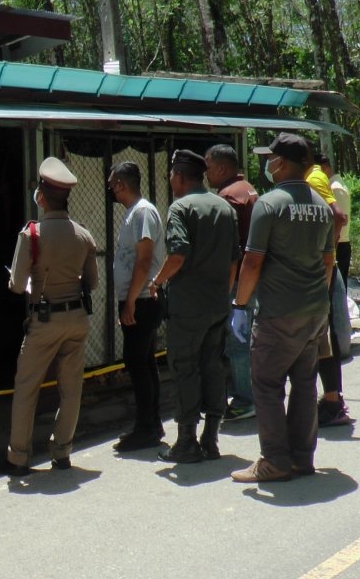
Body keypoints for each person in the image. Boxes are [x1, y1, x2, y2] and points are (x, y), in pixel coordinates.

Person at [229, 134, 335, 483]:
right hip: (315, 310)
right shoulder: (322, 205)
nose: (268, 165)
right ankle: (302, 458)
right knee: (304, 382)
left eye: (271, 159)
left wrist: (240, 304)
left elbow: (253, 261)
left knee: (267, 383)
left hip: (278, 312)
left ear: (283, 163)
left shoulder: (269, 204)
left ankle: (275, 460)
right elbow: (328, 261)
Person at [1, 157, 100, 474]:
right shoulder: (84, 235)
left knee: (27, 387)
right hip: (77, 319)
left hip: (44, 320)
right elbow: (93, 282)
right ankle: (62, 452)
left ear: (41, 195)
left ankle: (18, 458)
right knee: (71, 389)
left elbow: (17, 285)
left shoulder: (31, 235)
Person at [148, 149, 238, 463]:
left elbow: (177, 255)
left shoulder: (180, 208)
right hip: (218, 304)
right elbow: (233, 262)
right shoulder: (224, 208)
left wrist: (157, 281)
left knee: (184, 368)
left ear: (181, 176)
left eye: (172, 173)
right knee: (212, 367)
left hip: (188, 307)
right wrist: (223, 296)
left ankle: (186, 441)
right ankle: (210, 439)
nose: (170, 179)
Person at [107, 161, 167, 452]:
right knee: (144, 362)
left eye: (112, 184)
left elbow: (144, 260)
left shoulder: (142, 211)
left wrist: (130, 301)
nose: (111, 189)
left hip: (142, 300)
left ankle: (146, 428)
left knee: (137, 363)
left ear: (122, 184)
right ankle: (151, 423)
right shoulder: (136, 212)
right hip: (139, 298)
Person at [204, 144, 259, 422]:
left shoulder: (227, 198)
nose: (206, 173)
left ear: (222, 168)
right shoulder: (249, 190)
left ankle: (244, 399)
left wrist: (225, 286)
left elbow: (230, 250)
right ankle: (254, 394)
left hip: (237, 281)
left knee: (237, 341)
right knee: (249, 338)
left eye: (208, 167)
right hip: (255, 276)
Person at [310, 154, 354, 427]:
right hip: (326, 264)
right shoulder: (316, 177)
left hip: (322, 267)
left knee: (323, 337)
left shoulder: (313, 179)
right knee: (325, 335)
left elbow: (338, 216)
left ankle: (332, 401)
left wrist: (328, 251)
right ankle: (331, 398)